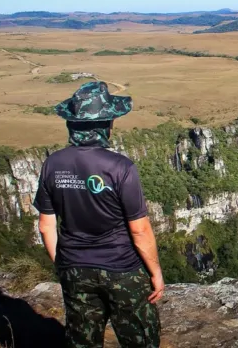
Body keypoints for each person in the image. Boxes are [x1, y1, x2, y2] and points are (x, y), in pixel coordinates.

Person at [33, 81, 163, 348]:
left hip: (74, 267)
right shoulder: (120, 167)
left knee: (82, 339)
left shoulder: (52, 163)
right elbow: (139, 230)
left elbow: (46, 227)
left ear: (71, 124)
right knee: (139, 337)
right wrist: (156, 273)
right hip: (122, 268)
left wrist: (64, 265)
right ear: (106, 125)